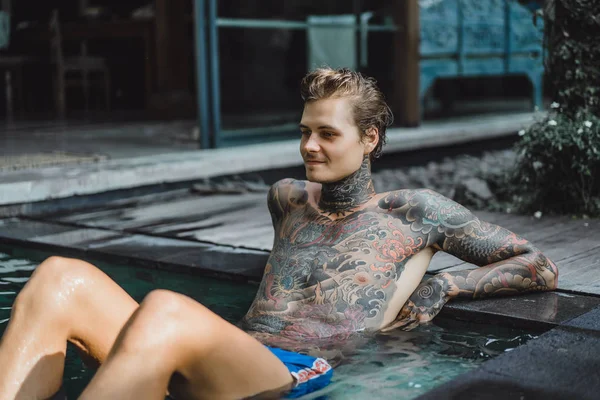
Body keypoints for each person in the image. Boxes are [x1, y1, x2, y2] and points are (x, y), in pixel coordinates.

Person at [0, 68, 558, 400]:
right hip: (229, 357)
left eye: (326, 134)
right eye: (304, 132)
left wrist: (447, 286)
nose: (309, 146)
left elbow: (538, 264)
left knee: (167, 308)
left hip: (298, 374)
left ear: (369, 138)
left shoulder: (415, 211)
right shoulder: (287, 197)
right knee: (58, 277)